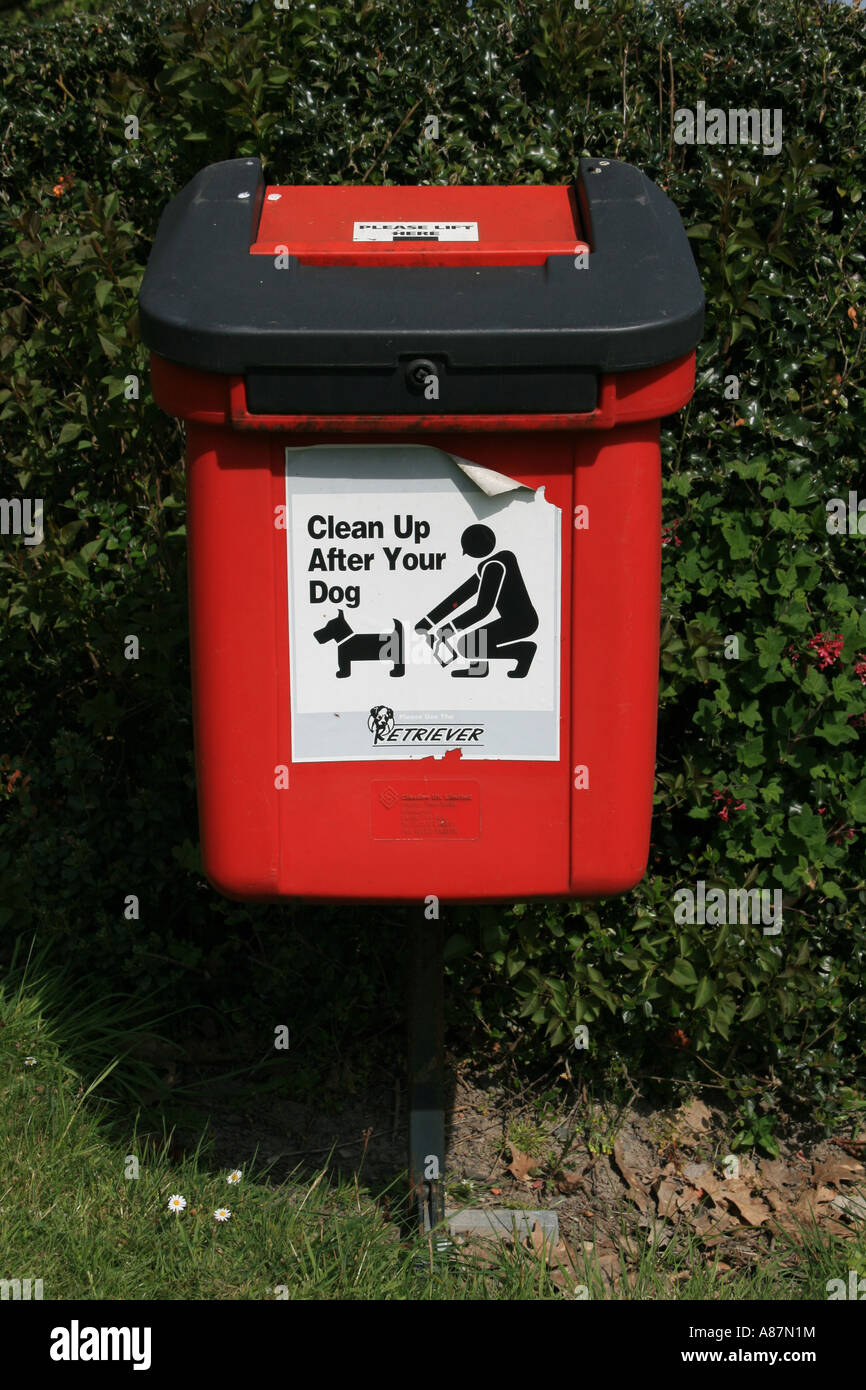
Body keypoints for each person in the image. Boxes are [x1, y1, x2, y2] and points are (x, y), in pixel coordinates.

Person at [415, 524, 538, 678]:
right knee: (472, 641)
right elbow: (460, 597)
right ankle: (480, 668)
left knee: (468, 644)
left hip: (521, 622)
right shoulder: (491, 563)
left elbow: (483, 610)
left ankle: (522, 652)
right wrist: (427, 622)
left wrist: (446, 630)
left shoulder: (495, 566)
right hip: (512, 620)